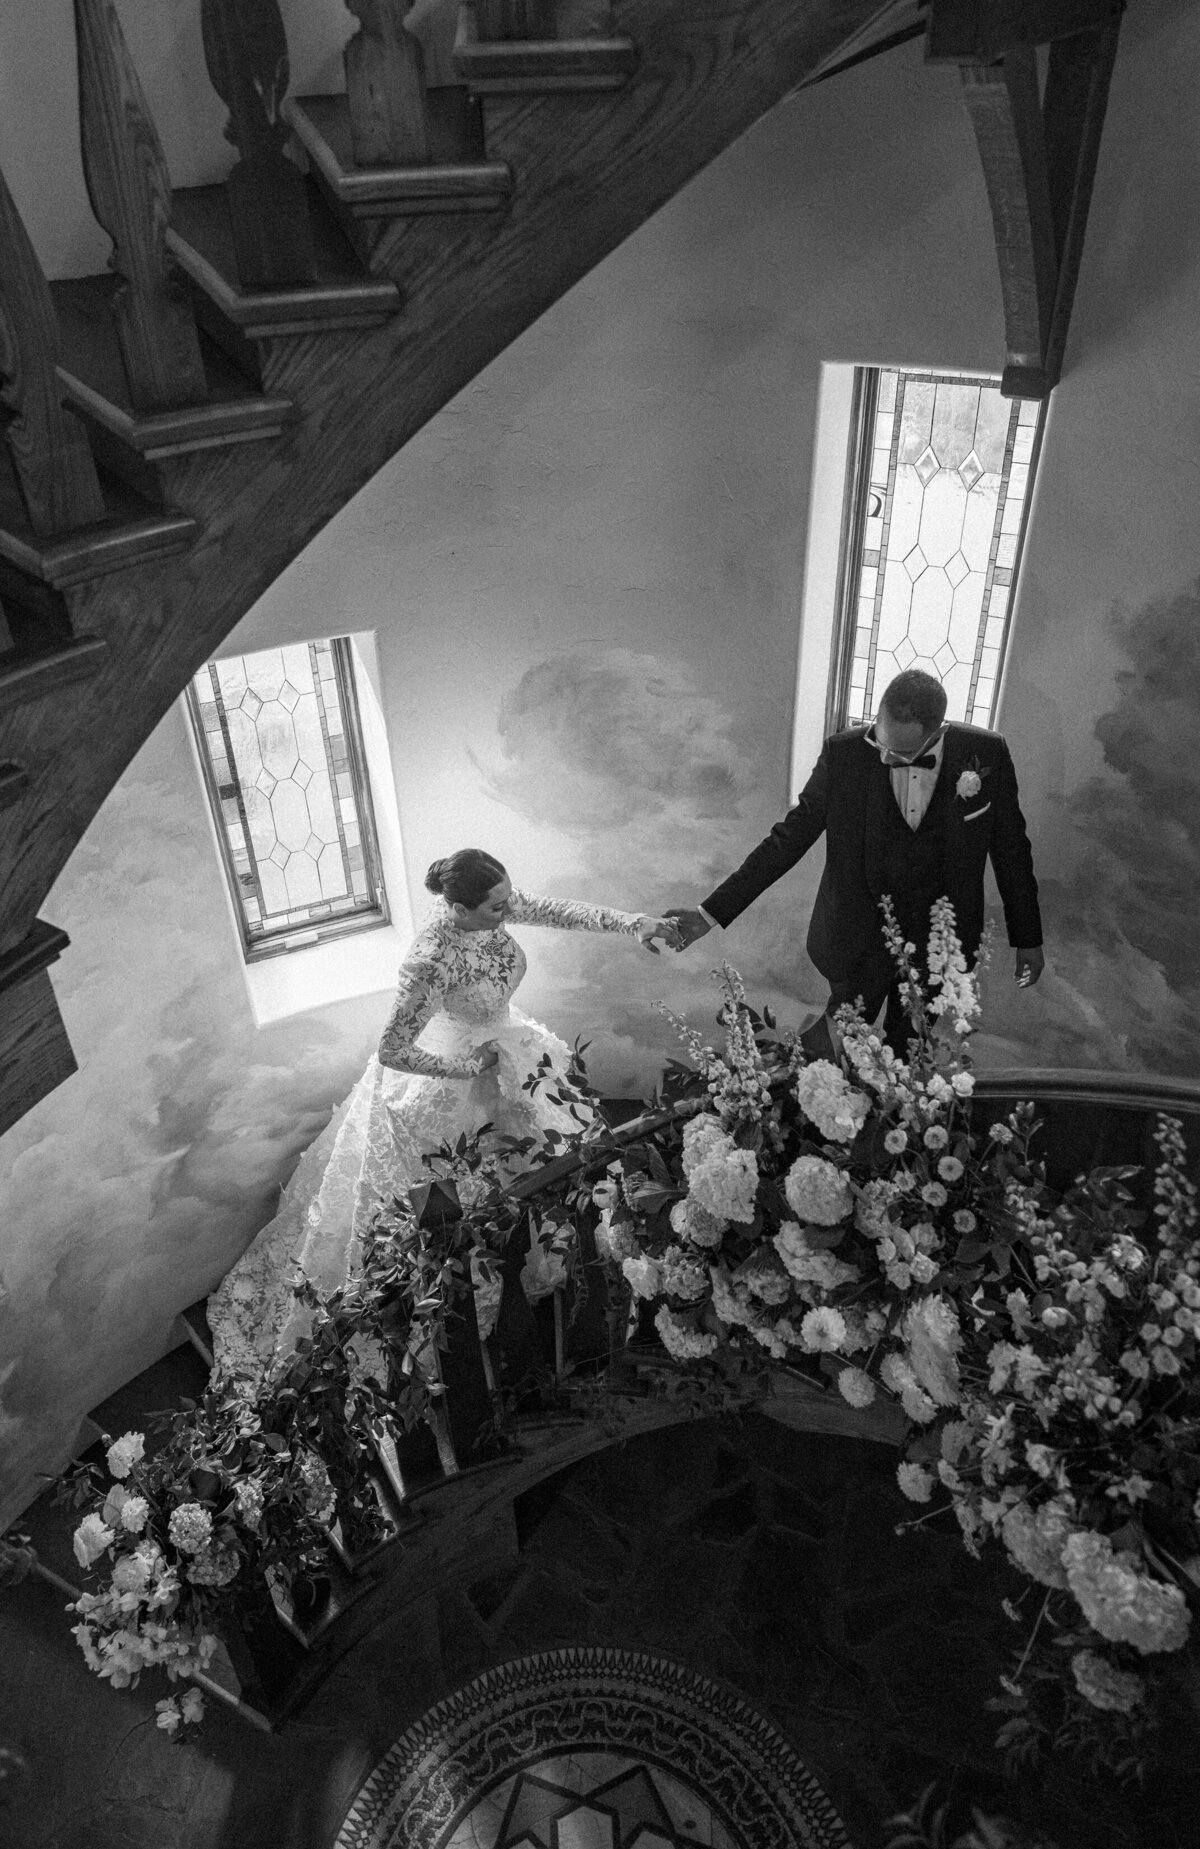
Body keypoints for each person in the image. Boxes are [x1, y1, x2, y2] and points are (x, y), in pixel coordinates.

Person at [208, 849, 680, 1385]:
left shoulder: (492, 903)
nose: (510, 910)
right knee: (459, 1191)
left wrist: (631, 923)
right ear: (457, 907)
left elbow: (553, 910)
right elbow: (391, 1049)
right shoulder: (431, 960)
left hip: (506, 1045)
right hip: (455, 1074)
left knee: (541, 1153)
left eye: (508, 898)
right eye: (497, 907)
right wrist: (467, 1066)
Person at [666, 670, 1043, 1055]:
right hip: (856, 936)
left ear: (937, 732)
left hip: (938, 940)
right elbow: (786, 841)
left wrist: (1028, 937)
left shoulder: (987, 754)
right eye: (879, 741)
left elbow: (1012, 848)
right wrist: (709, 913)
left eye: (897, 755)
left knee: (910, 1050)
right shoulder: (844, 753)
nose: (883, 756)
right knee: (831, 1051)